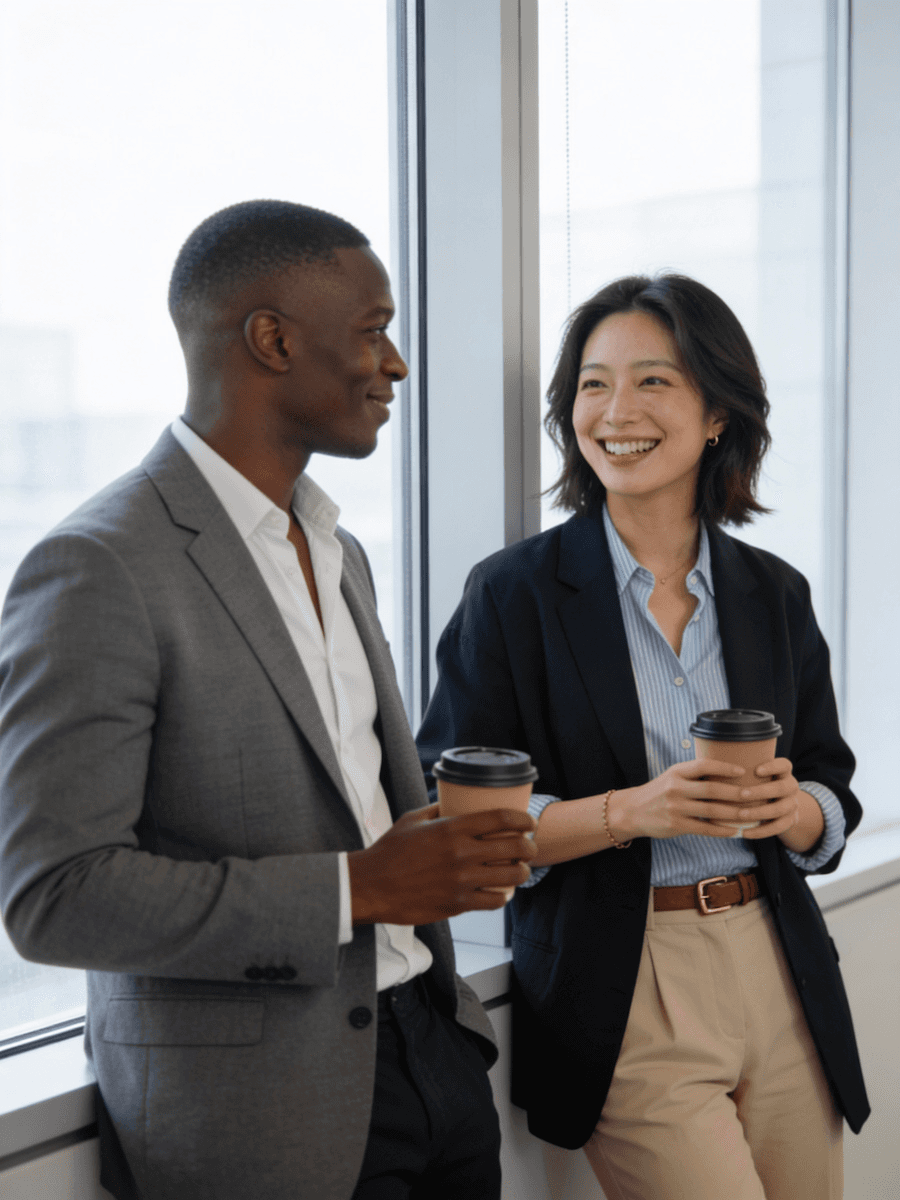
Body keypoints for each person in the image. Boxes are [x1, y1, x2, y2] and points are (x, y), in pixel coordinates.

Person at [0, 199, 537, 1200]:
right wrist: (359, 889)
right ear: (273, 341)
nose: (396, 365)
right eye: (374, 330)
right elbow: (56, 896)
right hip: (258, 1122)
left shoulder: (341, 552)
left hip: (433, 1056)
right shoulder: (97, 567)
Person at [416, 274, 869, 1200]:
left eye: (654, 380)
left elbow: (830, 784)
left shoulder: (774, 592)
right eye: (594, 384)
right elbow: (459, 819)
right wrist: (630, 812)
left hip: (780, 962)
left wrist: (792, 812)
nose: (616, 411)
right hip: (624, 978)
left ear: (718, 414)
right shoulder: (512, 594)